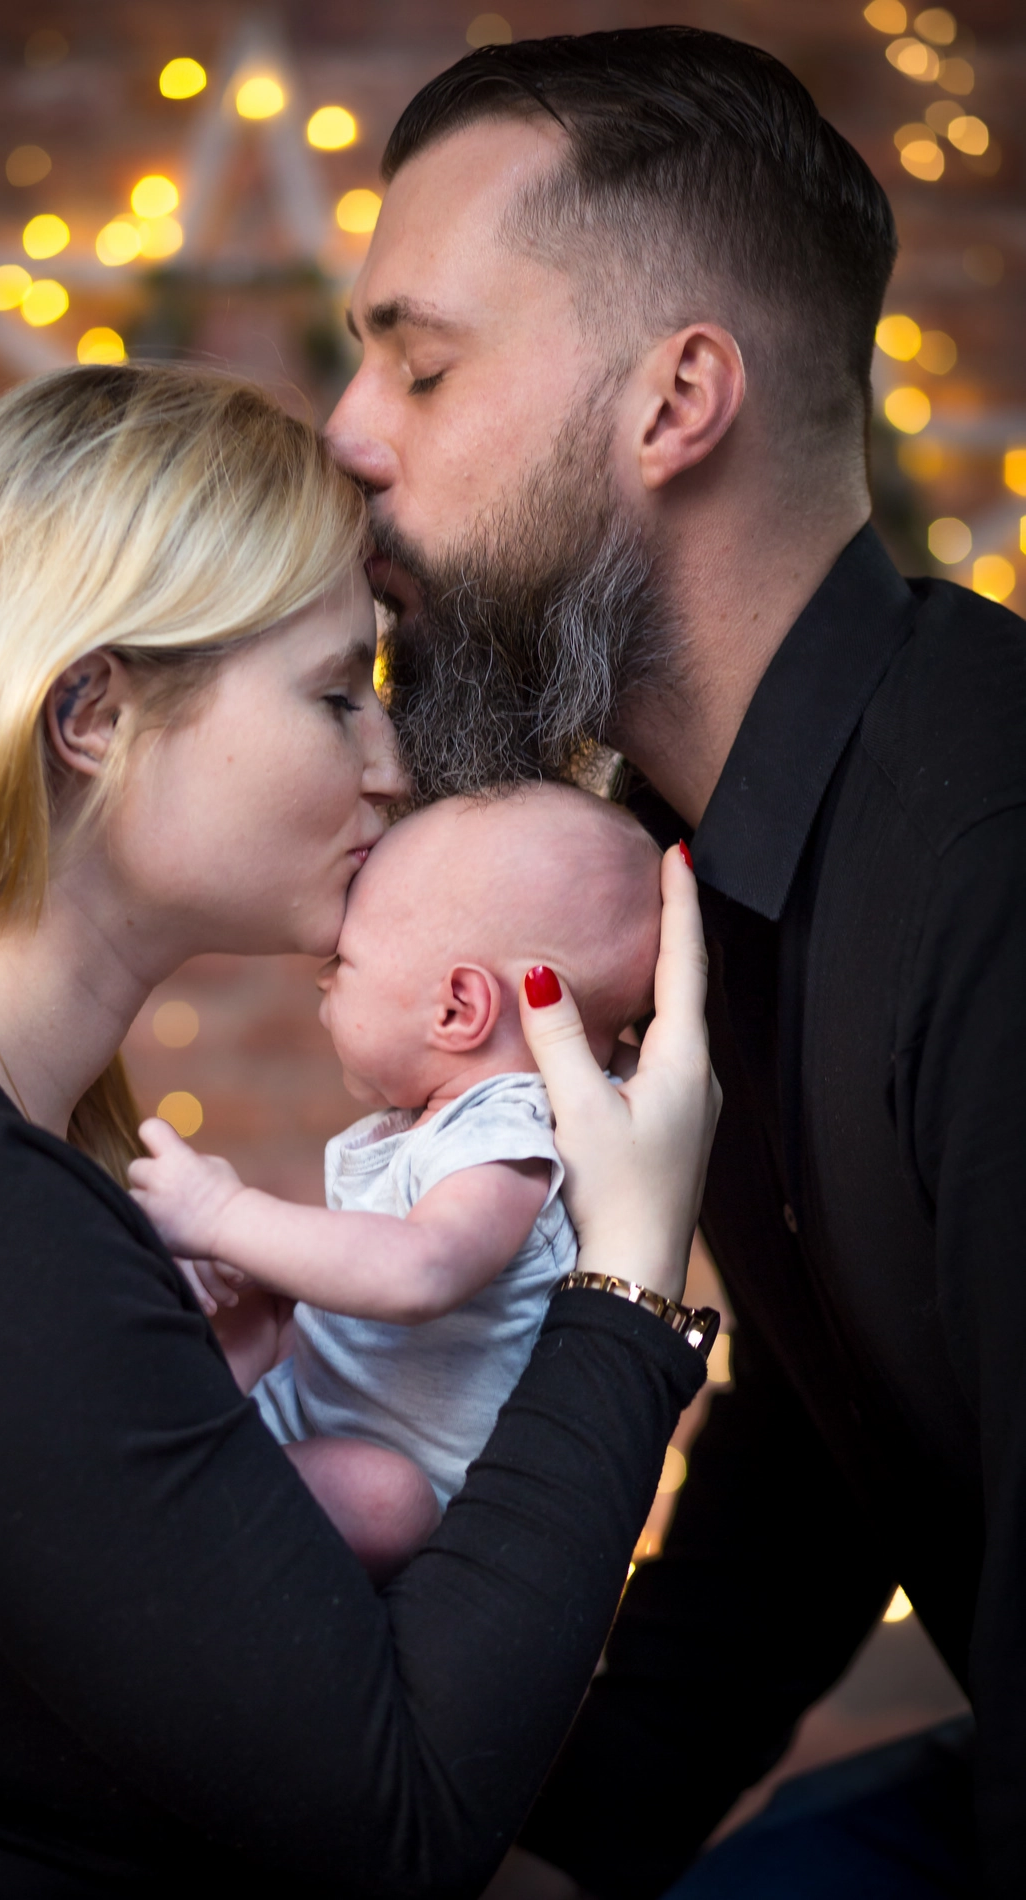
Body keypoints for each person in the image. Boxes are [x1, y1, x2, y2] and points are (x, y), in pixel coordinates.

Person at [0, 361, 721, 1899]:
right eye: (336, 695)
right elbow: (399, 1824)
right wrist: (623, 1278)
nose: (386, 766)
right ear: (91, 712)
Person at [325, 25, 1025, 1898]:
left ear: (675, 401)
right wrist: (569, 1851)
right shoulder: (689, 856)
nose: (350, 434)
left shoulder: (986, 864)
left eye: (420, 364)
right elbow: (829, 1432)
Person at [129, 786, 669, 1579]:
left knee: (385, 1497)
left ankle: (156, 1495)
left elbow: (421, 1269)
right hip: (317, 1411)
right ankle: (171, 1442)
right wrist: (244, 1262)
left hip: (399, 1481)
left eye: (342, 964)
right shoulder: (436, 1125)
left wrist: (222, 1214)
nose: (322, 984)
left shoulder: (503, 1138)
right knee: (246, 1305)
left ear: (457, 1008)